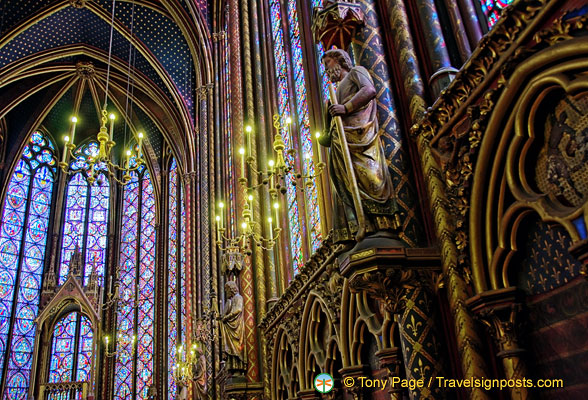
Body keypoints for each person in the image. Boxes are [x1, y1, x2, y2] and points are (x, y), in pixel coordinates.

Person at [320, 49, 398, 242]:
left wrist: (345, 108)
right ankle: (364, 225)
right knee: (346, 181)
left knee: (369, 176)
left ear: (340, 60)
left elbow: (369, 90)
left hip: (360, 136)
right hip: (341, 141)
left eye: (327, 63)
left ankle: (382, 224)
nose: (326, 69)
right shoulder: (335, 90)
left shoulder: (356, 72)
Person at [219, 281, 246, 372]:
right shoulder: (231, 300)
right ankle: (232, 366)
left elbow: (238, 309)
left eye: (227, 290)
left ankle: (238, 367)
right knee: (230, 347)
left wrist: (226, 317)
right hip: (230, 326)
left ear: (231, 289)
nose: (226, 292)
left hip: (236, 326)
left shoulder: (238, 297)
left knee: (236, 346)